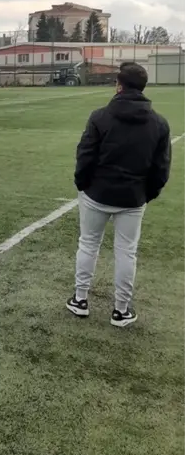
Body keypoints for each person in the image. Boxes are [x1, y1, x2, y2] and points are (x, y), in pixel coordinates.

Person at [66, 63, 171, 327]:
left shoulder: (100, 117)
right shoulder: (159, 123)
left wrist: (83, 184)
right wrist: (147, 194)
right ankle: (121, 310)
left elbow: (85, 156)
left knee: (88, 244)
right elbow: (161, 168)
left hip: (98, 194)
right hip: (132, 198)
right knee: (126, 251)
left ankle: (80, 300)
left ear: (118, 85)